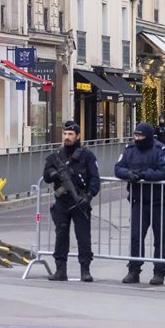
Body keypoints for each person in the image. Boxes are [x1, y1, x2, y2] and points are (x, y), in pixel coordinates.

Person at [114, 122, 165, 285]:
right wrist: (129, 174)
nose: (137, 138)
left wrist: (144, 175)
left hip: (160, 202)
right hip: (139, 201)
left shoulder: (161, 150)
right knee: (136, 237)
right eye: (135, 135)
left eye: (140, 136)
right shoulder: (130, 150)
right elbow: (118, 168)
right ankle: (134, 270)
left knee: (160, 239)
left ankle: (159, 272)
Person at [43, 121, 100, 282]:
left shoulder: (86, 155)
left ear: (78, 136)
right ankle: (60, 270)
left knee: (83, 236)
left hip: (80, 201)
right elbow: (46, 175)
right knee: (61, 234)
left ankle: (85, 270)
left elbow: (95, 179)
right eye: (65, 134)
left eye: (70, 135)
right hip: (62, 202)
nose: (67, 137)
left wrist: (88, 196)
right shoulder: (57, 155)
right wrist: (54, 174)